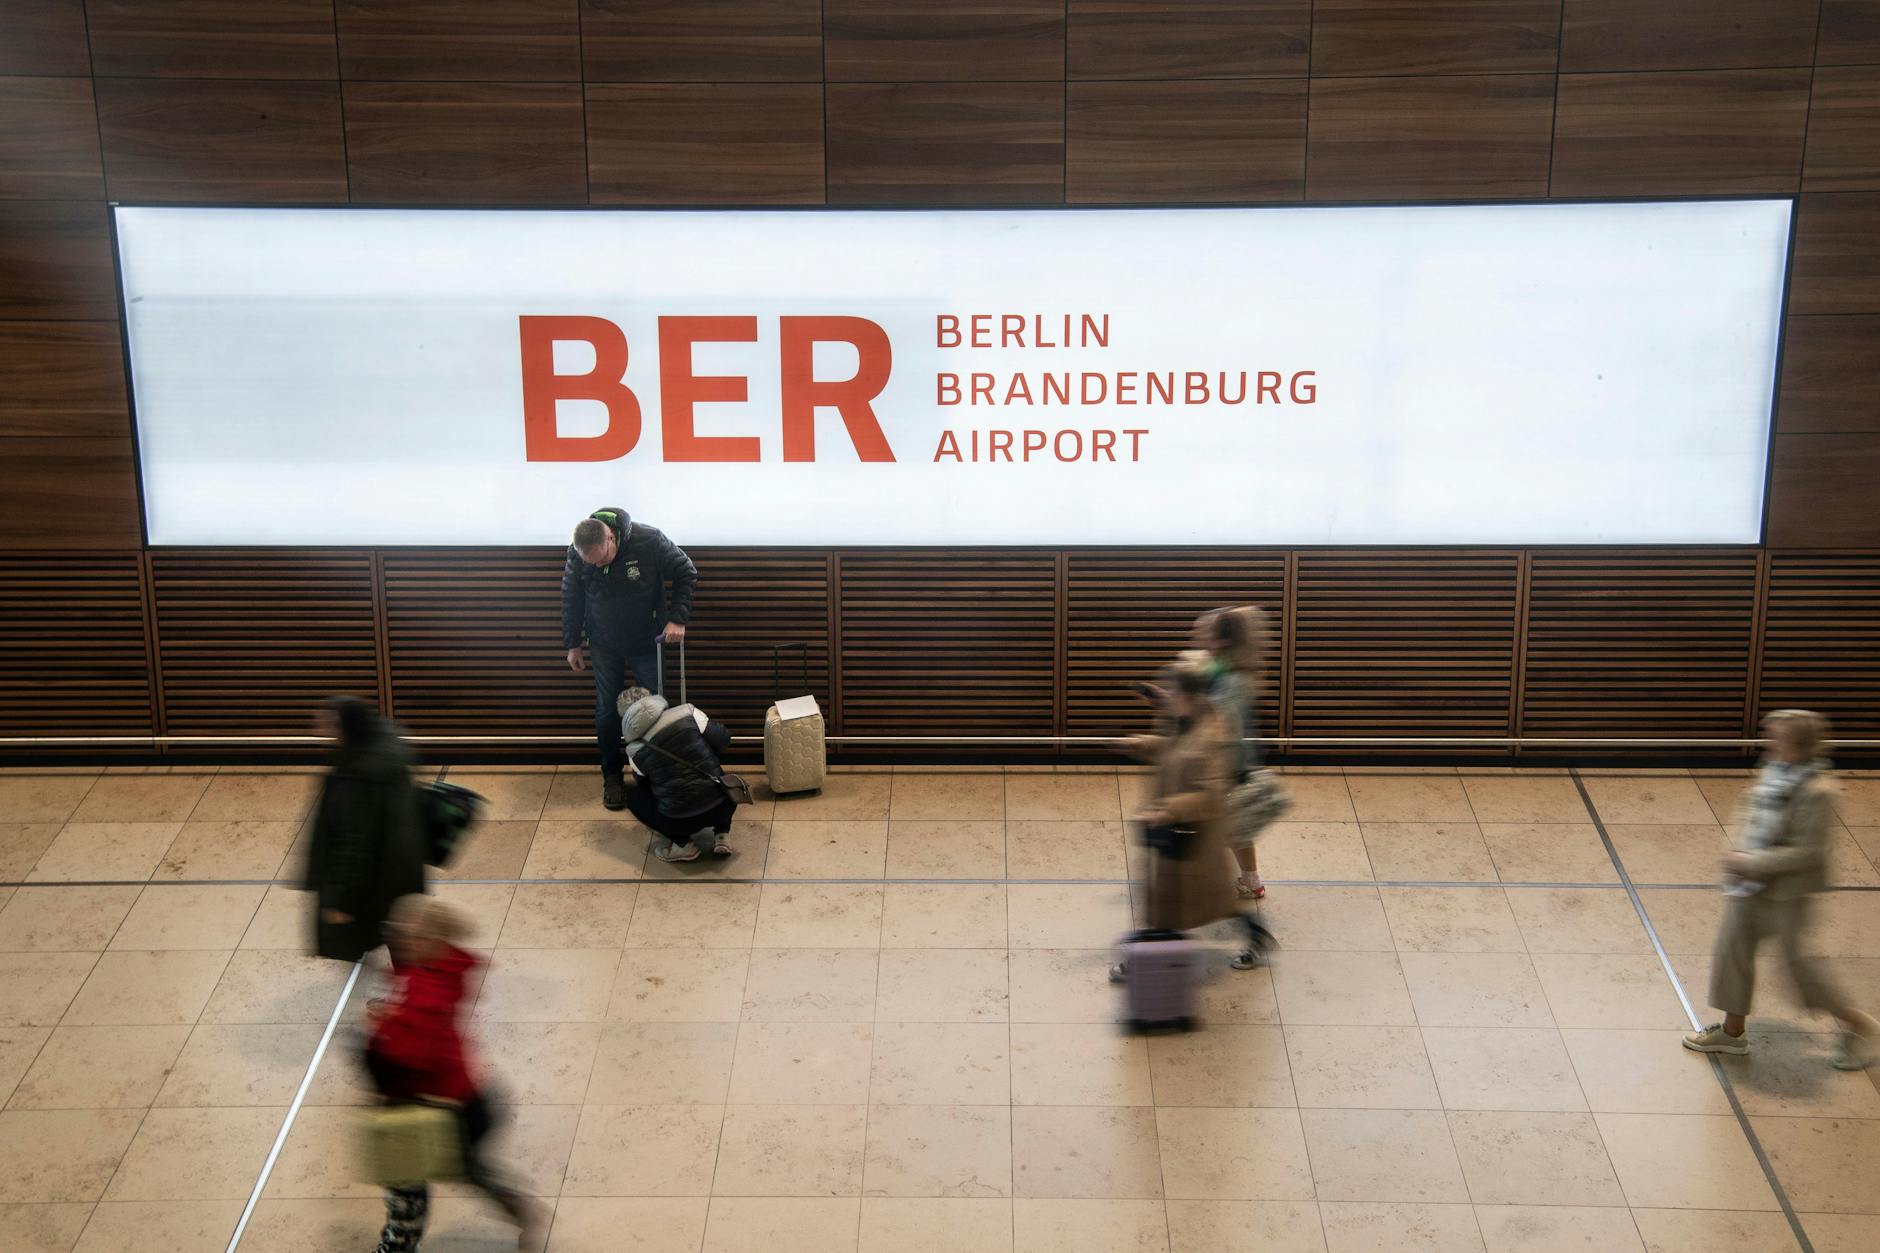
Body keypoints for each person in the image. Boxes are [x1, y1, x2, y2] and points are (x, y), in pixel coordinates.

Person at [1683, 710, 1880, 1069]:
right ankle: (1732, 1032)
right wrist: (1736, 852)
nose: (1769, 742)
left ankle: (1862, 1027)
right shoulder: (1775, 771)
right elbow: (1750, 812)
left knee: (1798, 969)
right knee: (1733, 950)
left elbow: (1809, 852)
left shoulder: (1819, 791)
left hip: (1786, 893)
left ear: (1798, 745)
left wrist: (1752, 862)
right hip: (1751, 885)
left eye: (1777, 737)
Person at [362, 896, 540, 1251]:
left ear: (434, 942)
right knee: (464, 1169)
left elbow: (410, 1053)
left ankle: (400, 1242)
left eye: (412, 936)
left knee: (407, 1179)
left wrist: (384, 1024)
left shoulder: (426, 995)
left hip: (440, 1106)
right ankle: (514, 1206)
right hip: (463, 1098)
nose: (403, 941)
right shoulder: (441, 968)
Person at [1114, 652, 1271, 976]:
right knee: (1177, 902)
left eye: (1172, 691)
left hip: (1195, 839)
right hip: (1174, 830)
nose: (1166, 697)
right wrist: (1141, 744)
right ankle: (1150, 956)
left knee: (1200, 902)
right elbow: (1171, 748)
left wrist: (1169, 809)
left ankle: (1144, 962)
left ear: (1190, 695)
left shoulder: (1212, 734)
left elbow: (1211, 794)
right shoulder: (1187, 720)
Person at [560, 506, 698, 811]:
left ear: (611, 538)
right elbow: (571, 596)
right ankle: (612, 776)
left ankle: (656, 774)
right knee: (606, 709)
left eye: (602, 559)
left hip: (647, 641)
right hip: (603, 643)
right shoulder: (578, 551)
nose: (598, 566)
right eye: (591, 563)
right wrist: (573, 644)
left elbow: (686, 572)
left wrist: (677, 618)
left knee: (656, 709)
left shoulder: (649, 540)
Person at [304, 696, 427, 963]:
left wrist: (341, 901)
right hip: (400, 864)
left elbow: (354, 842)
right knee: (401, 931)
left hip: (376, 878)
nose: (318, 729)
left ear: (345, 728)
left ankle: (412, 984)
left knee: (394, 936)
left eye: (327, 724)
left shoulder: (360, 775)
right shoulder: (386, 745)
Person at [1194, 605, 1272, 899]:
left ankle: (1218, 881)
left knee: (1217, 822)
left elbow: (1222, 726)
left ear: (1224, 639)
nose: (1198, 633)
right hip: (1225, 762)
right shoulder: (1218, 667)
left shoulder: (1231, 680)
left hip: (1225, 764)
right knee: (1233, 823)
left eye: (1205, 630)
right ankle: (1251, 881)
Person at [619, 686, 738, 863]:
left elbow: (646, 788)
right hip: (724, 804)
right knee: (715, 772)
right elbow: (723, 739)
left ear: (626, 717)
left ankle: (683, 845)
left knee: (632, 796)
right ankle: (722, 835)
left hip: (678, 821)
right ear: (652, 700)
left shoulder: (634, 750)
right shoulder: (687, 713)